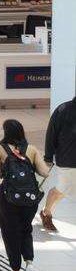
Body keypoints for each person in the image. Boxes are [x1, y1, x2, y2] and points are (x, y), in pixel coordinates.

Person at [0, 119, 51, 271]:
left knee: (11, 233)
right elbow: (45, 173)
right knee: (26, 229)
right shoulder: (31, 149)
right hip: (30, 199)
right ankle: (29, 264)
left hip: (8, 198)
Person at [44, 99, 76, 232]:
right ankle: (46, 212)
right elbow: (51, 133)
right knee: (63, 189)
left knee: (67, 189)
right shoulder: (64, 109)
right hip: (68, 158)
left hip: (67, 157)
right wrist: (48, 156)